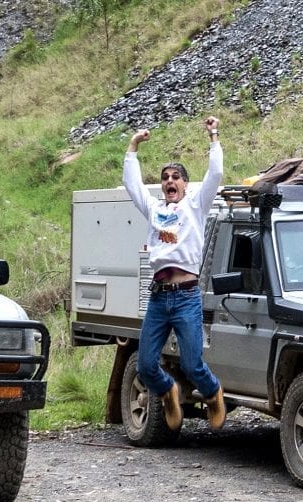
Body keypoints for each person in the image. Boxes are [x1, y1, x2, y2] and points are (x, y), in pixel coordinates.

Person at [122, 116, 225, 432]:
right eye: (166, 177)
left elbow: (215, 174)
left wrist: (213, 136)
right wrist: (133, 146)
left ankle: (213, 394)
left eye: (176, 177)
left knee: (192, 364)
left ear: (185, 185)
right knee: (145, 366)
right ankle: (168, 392)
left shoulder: (196, 205)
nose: (170, 181)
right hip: (158, 298)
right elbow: (132, 185)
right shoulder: (155, 209)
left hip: (186, 297)